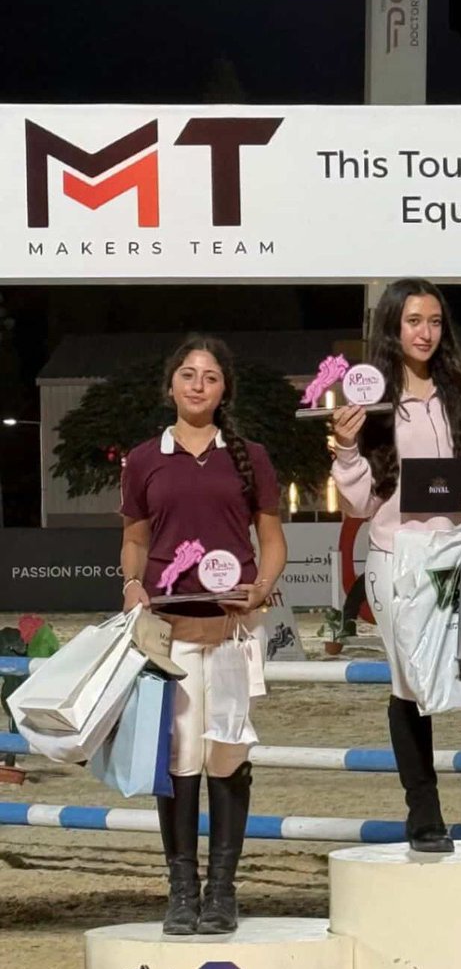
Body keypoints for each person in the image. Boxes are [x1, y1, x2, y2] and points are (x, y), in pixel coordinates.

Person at [332, 277, 461, 854]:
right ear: (392, 326)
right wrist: (346, 449)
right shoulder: (369, 395)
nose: (425, 333)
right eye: (414, 321)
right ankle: (423, 815)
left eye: (435, 321)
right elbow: (359, 503)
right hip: (399, 557)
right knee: (409, 683)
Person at [120, 335, 287, 935]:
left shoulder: (251, 456)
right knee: (180, 755)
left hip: (234, 630)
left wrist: (262, 587)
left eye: (210, 376)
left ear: (224, 390)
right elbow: (135, 539)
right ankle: (182, 891)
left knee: (228, 753)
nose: (198, 385)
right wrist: (131, 585)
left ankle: (222, 891)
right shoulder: (144, 459)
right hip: (169, 631)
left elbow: (272, 538)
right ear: (171, 384)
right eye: (188, 374)